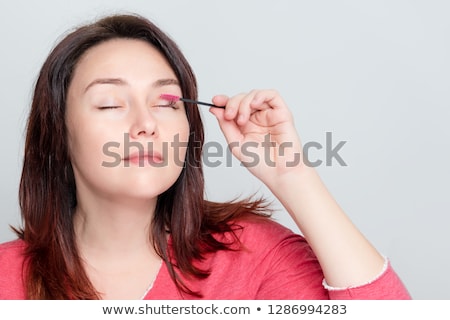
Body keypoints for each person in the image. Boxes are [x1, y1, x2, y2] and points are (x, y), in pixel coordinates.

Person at [0, 13, 410, 300]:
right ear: (58, 134)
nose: (147, 124)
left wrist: (292, 175)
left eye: (166, 103)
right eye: (110, 104)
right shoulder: (7, 279)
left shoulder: (251, 255)